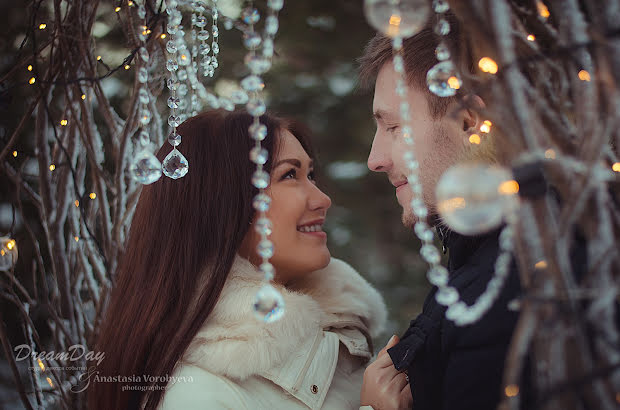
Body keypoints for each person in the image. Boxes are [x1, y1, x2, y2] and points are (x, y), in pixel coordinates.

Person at [87, 110, 388, 410]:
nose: (322, 199)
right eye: (289, 175)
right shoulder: (197, 395)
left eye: (310, 174)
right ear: (223, 205)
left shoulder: (338, 338)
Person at [357, 15, 529, 410]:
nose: (374, 159)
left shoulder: (499, 292)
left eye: (394, 127)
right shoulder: (481, 267)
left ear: (470, 122)